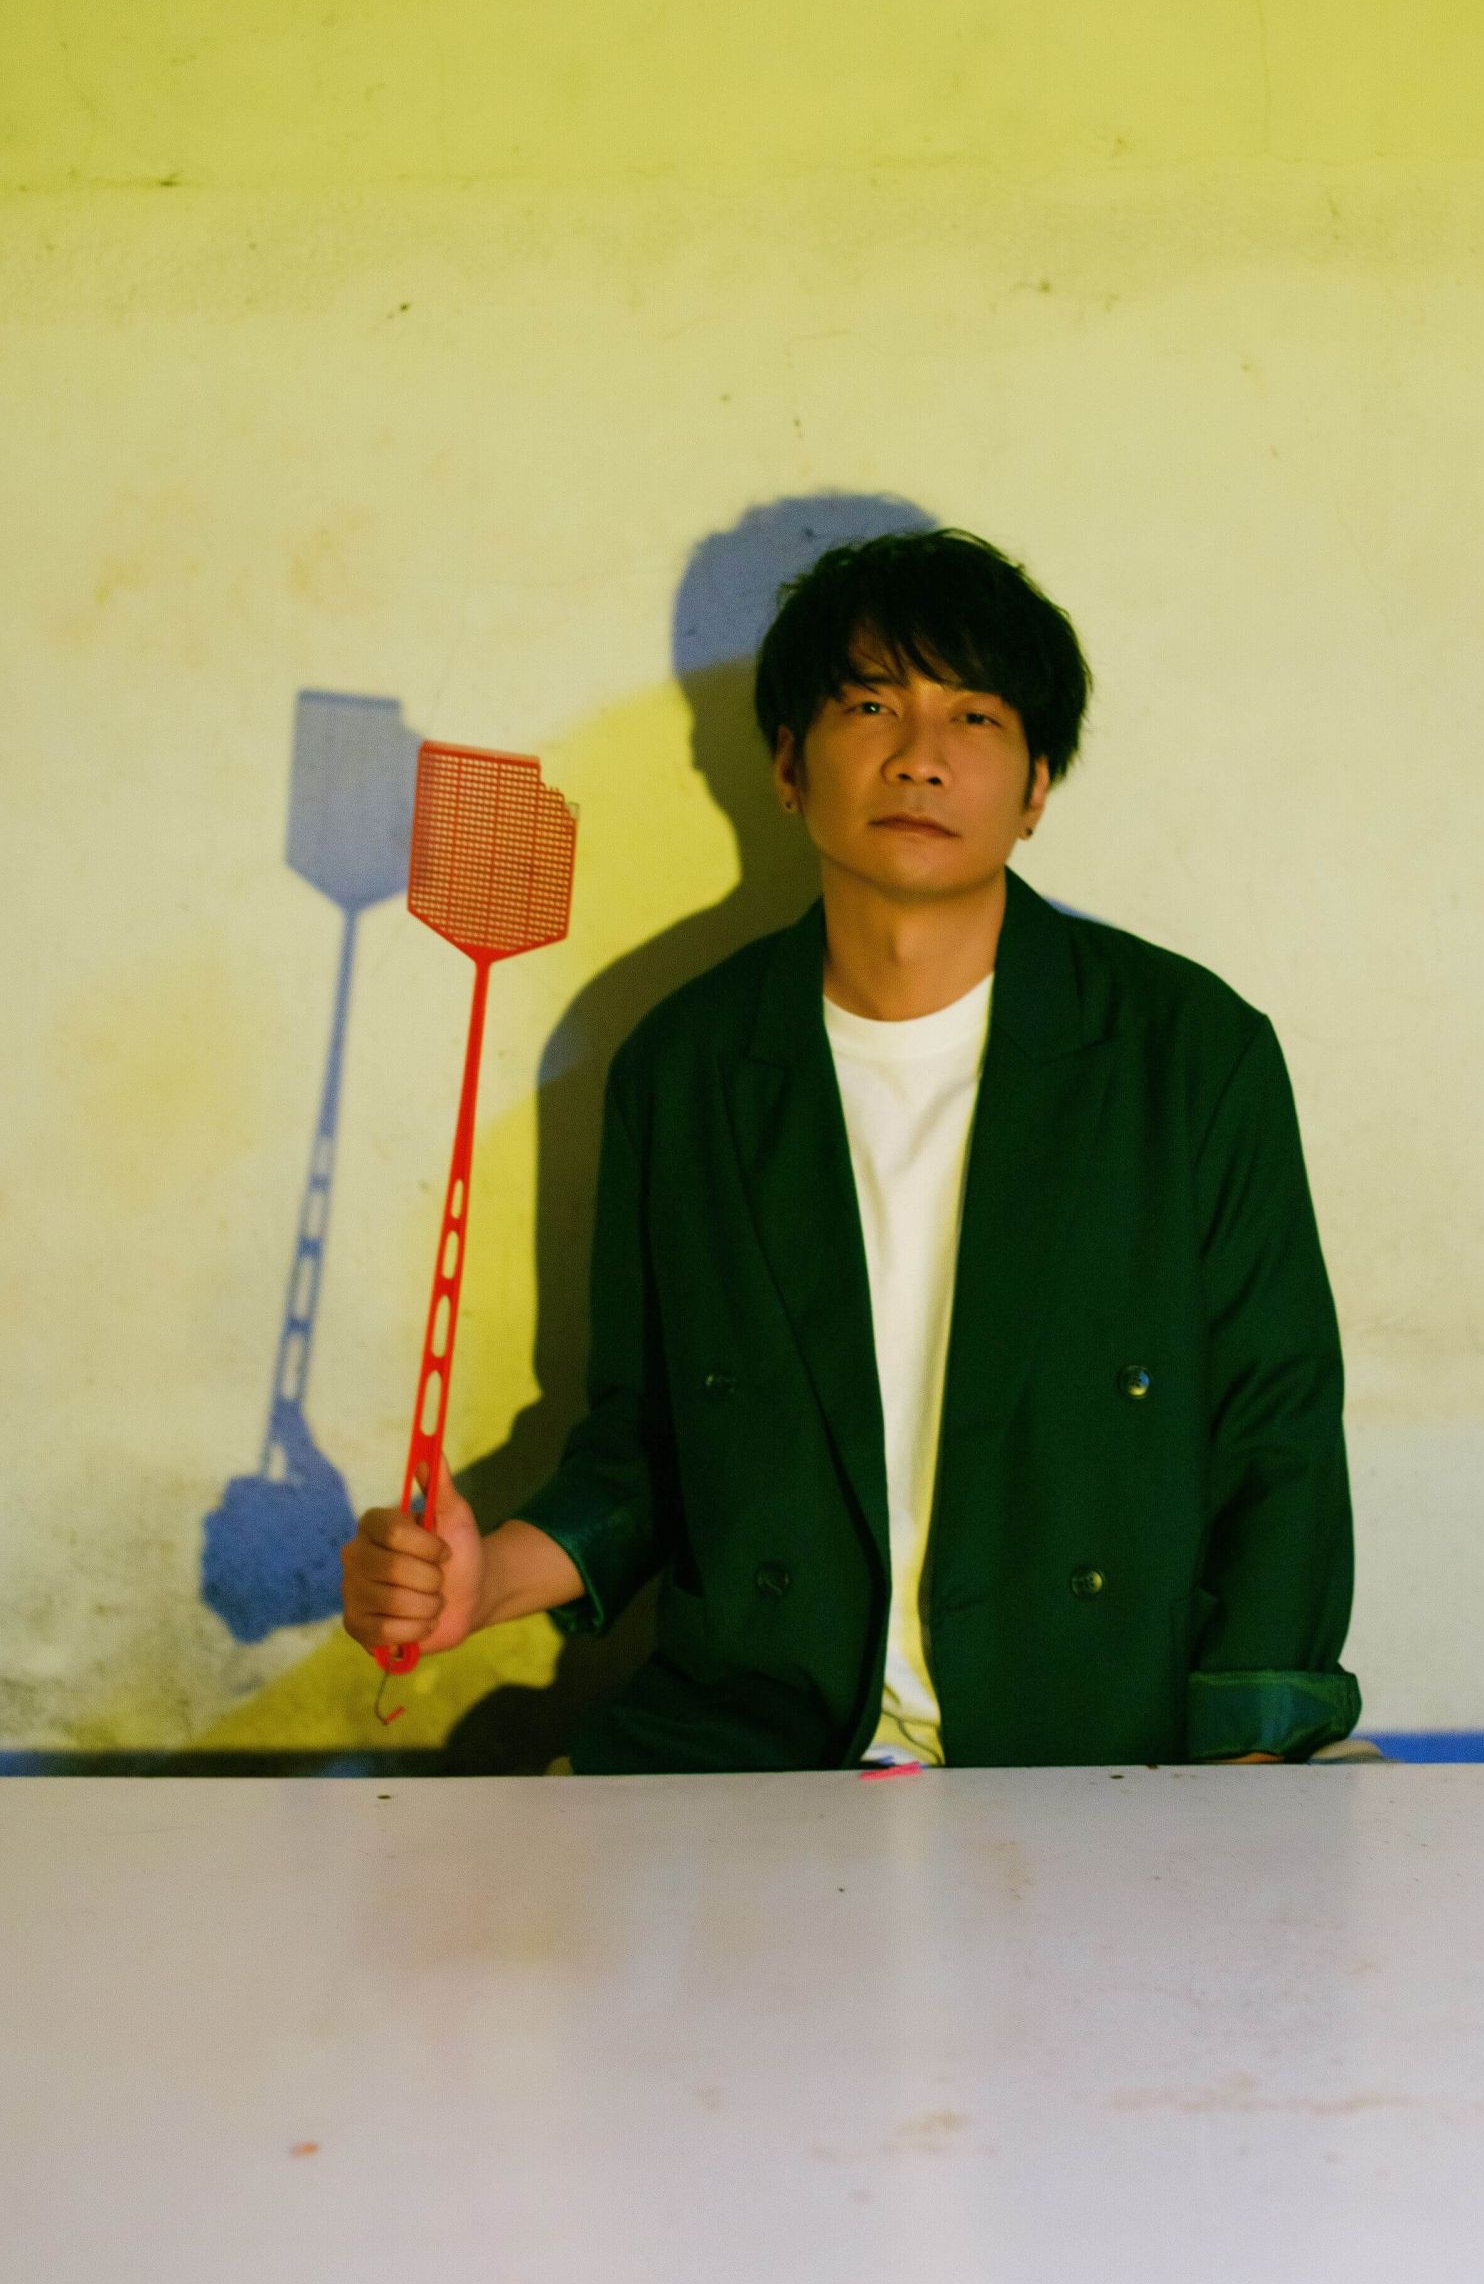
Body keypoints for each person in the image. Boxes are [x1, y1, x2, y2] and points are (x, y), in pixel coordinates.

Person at [342, 527, 1360, 1774]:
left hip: (1088, 1748)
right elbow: (655, 1438)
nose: (920, 757)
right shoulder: (687, 1067)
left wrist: (1246, 1769)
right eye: (871, 704)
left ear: (1037, 787)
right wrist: (480, 1581)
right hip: (750, 1741)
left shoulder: (1186, 1053)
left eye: (975, 717)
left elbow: (1276, 1435)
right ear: (788, 764)